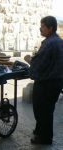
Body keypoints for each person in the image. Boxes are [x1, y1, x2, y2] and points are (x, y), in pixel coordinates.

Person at [24, 16, 63, 145]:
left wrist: (29, 59)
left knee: (41, 111)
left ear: (50, 28)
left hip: (46, 84)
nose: (40, 29)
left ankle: (44, 138)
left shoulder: (50, 43)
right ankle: (42, 134)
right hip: (56, 82)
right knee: (48, 111)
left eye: (42, 26)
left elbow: (39, 64)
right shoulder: (58, 41)